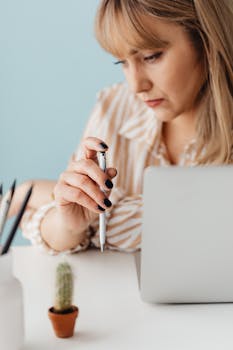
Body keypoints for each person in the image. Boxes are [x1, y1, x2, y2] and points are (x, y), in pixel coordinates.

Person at [9, 0, 233, 254]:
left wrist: (35, 193)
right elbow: (61, 223)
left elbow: (196, 234)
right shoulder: (115, 106)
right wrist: (70, 225)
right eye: (122, 63)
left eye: (151, 56)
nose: (137, 85)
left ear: (207, 41)